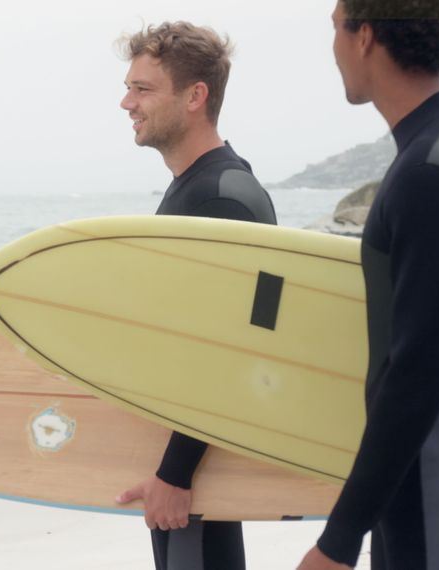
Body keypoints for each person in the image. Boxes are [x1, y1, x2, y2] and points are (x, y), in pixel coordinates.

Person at [298, 1, 439, 569]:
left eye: (334, 28)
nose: (332, 48)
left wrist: (337, 542)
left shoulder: (431, 174)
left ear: (366, 35)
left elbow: (419, 371)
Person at [112, 22, 277, 570]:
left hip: (198, 468)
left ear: (195, 96)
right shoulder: (196, 189)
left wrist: (177, 473)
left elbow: (235, 348)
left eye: (142, 89)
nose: (125, 102)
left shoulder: (223, 199)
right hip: (190, 454)